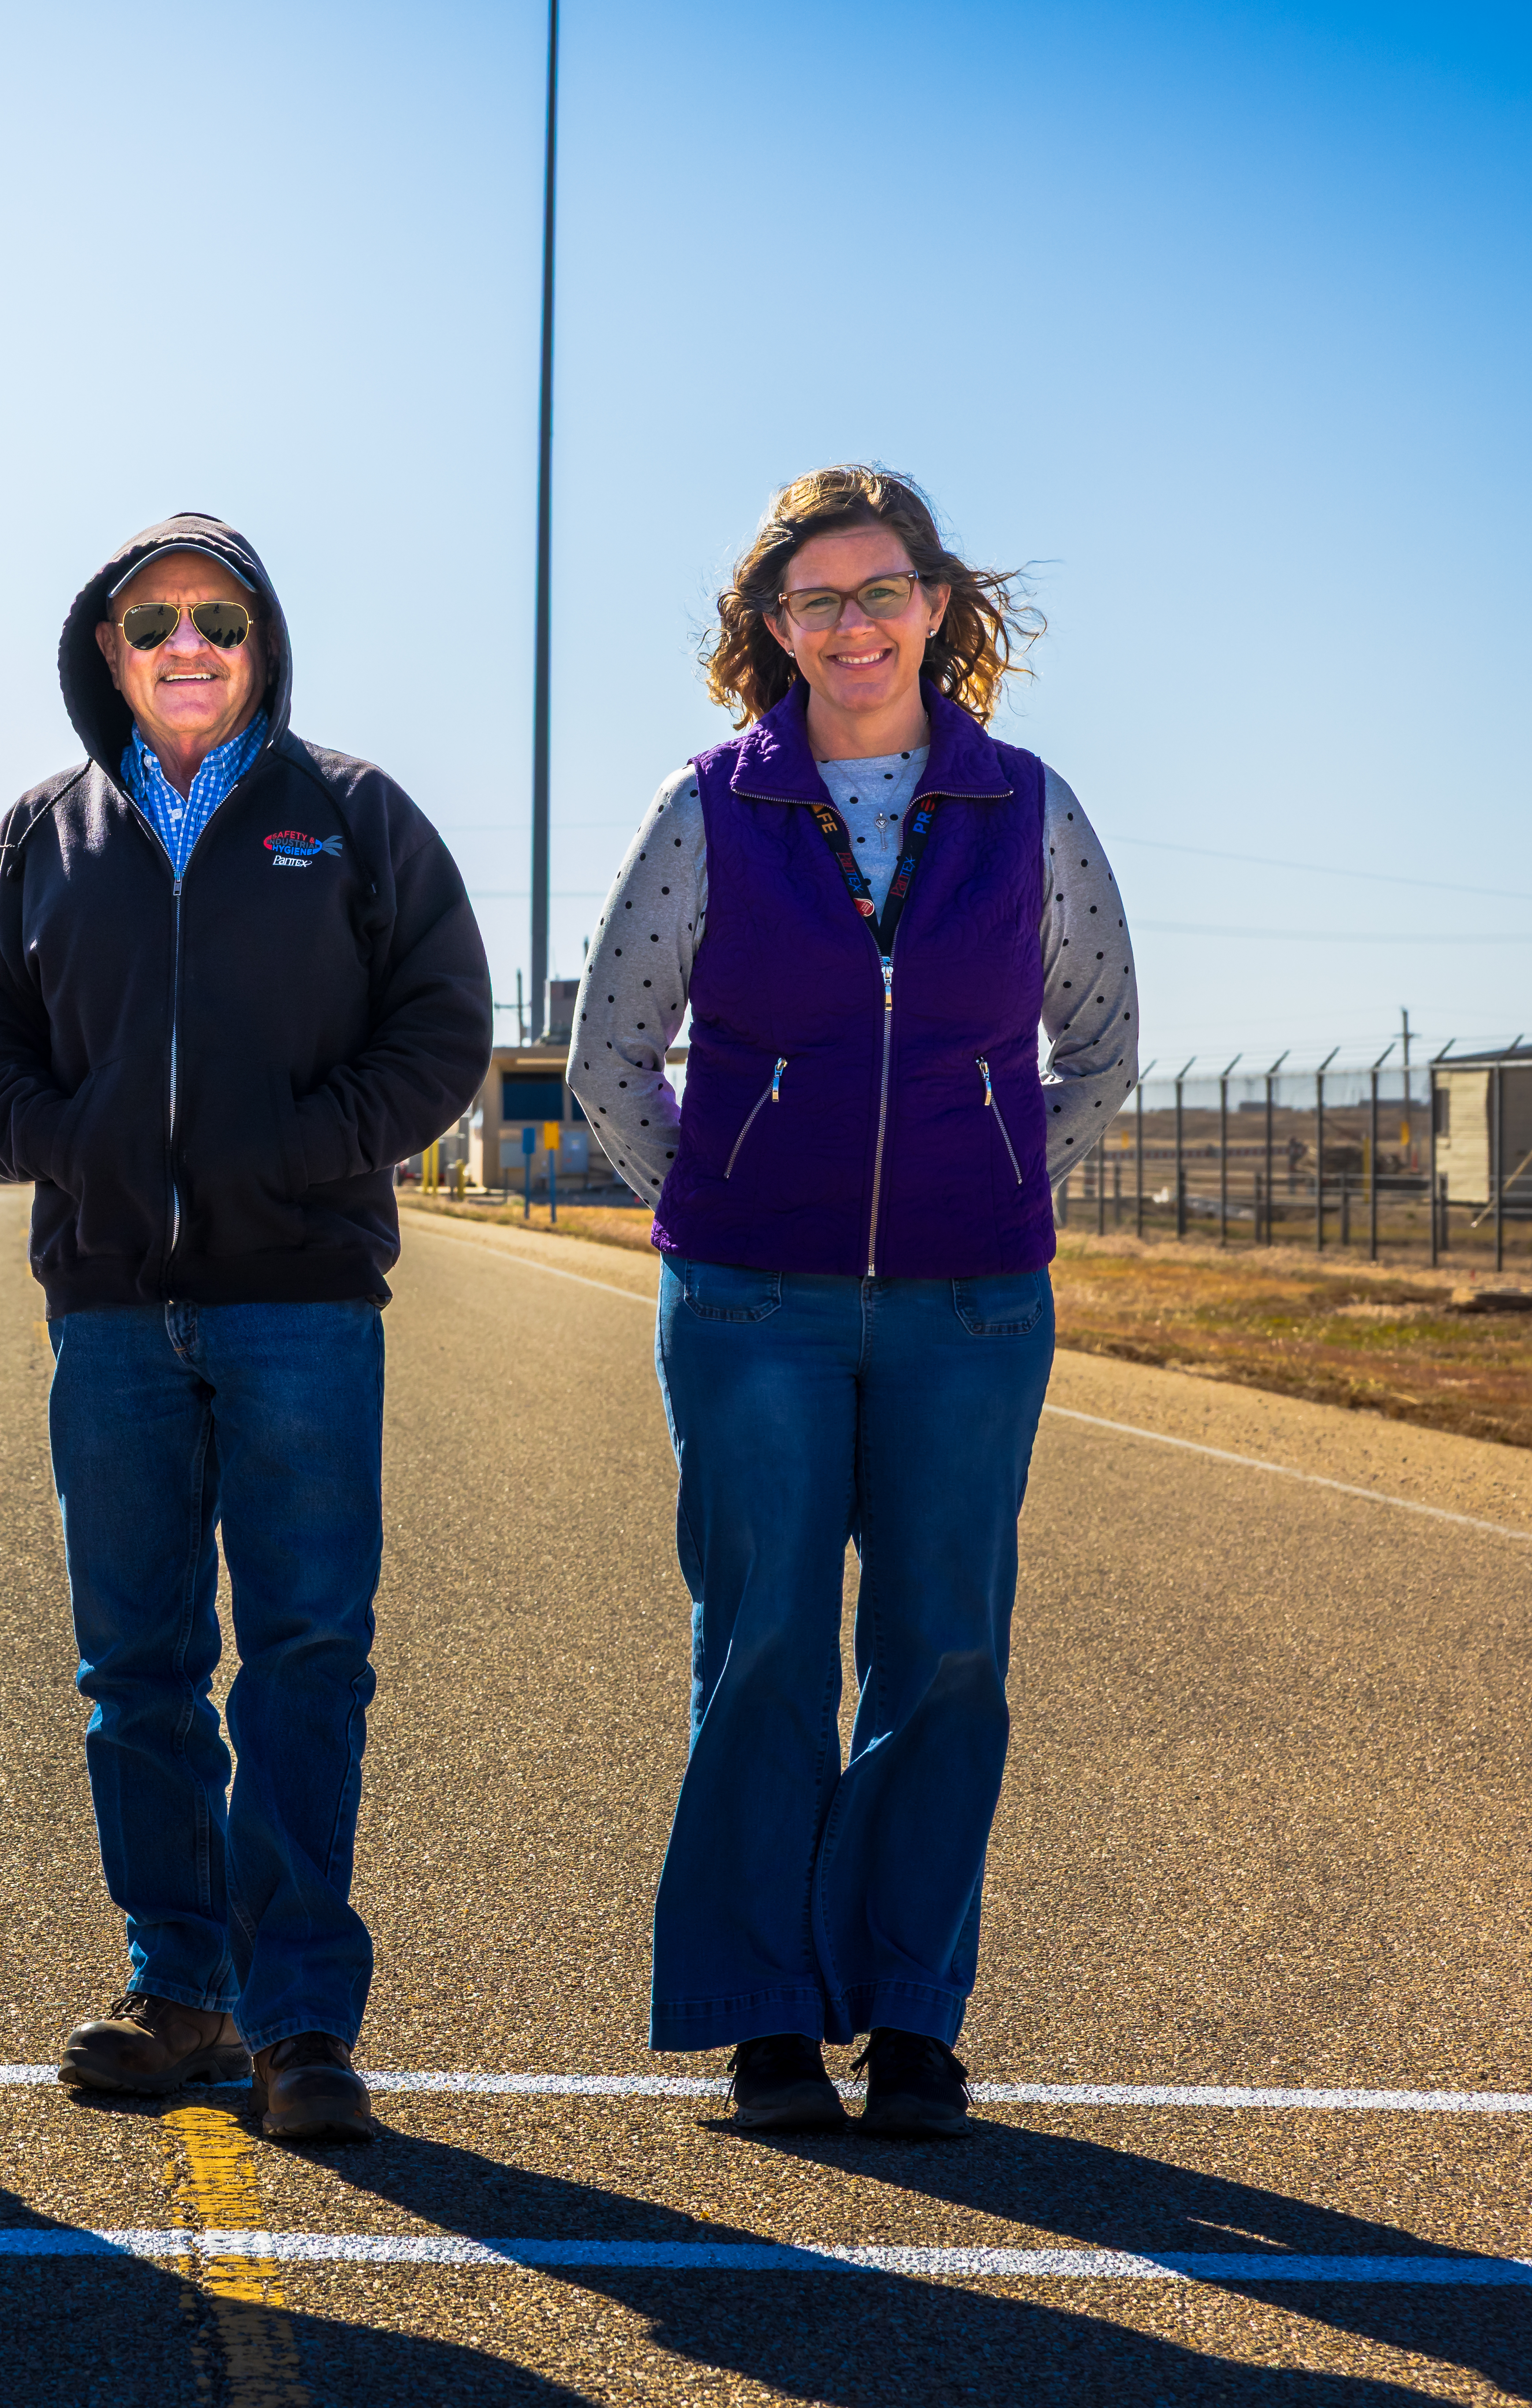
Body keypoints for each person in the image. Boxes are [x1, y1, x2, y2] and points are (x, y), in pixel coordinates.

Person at [567, 465, 1136, 2137]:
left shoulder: (1024, 807)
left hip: (972, 1306)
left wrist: (1000, 1174)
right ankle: (759, 2018)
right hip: (754, 1306)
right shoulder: (707, 807)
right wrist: (717, 1195)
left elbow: (1095, 1041)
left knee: (943, 1651)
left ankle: (906, 2016)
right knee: (757, 1648)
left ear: (939, 609)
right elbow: (614, 1053)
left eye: (880, 591)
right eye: (814, 600)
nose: (852, 625)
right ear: (770, 629)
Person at [0, 514, 492, 2144]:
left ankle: (302, 2018)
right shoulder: (43, 833)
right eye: (154, 622)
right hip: (109, 1314)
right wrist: (69, 1147)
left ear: (263, 645)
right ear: (106, 653)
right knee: (138, 1671)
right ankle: (179, 1988)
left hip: (301, 1304)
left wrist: (303, 1148)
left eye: (220, 622)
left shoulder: (354, 816)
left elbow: (442, 1026)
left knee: (307, 1657)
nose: (189, 645)